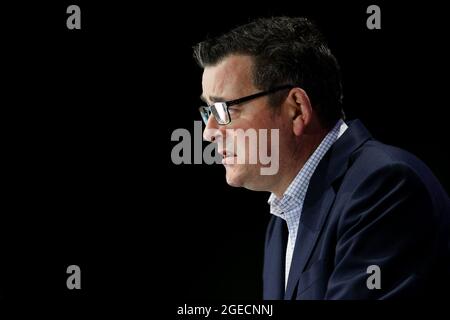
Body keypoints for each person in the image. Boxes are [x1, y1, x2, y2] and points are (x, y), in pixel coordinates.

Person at [193, 16, 450, 299]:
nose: (209, 132)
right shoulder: (281, 223)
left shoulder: (385, 187)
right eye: (208, 112)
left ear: (296, 109)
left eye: (223, 110)